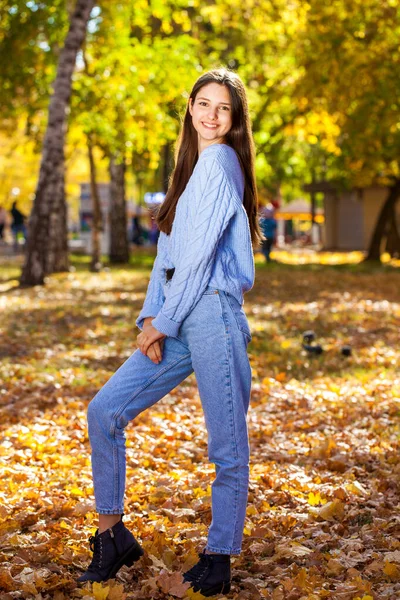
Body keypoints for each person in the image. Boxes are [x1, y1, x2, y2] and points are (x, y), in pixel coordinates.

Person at [78, 68, 261, 597]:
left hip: (214, 315)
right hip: (180, 315)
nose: (211, 115)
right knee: (105, 410)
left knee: (226, 445)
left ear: (234, 119)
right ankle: (112, 538)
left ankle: (219, 560)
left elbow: (201, 259)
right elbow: (167, 257)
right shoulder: (189, 170)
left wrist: (163, 320)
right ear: (190, 108)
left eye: (223, 108)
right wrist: (149, 320)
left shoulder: (222, 163)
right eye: (203, 104)